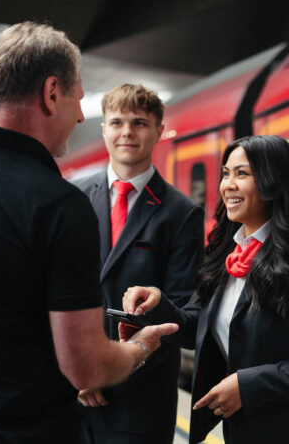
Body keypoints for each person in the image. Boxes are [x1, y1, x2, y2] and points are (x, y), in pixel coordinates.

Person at [0, 22, 177, 443]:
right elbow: (86, 367)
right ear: (51, 92)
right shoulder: (59, 205)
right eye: (77, 98)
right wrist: (142, 348)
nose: (79, 114)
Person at [123, 135, 289, 444]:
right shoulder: (225, 256)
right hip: (241, 431)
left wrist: (249, 386)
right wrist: (157, 306)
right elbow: (200, 330)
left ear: (273, 182)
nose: (228, 185)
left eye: (242, 174)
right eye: (226, 173)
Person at [74, 83, 204, 444]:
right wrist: (80, 372)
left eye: (140, 122)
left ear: (159, 131)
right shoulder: (73, 200)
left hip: (141, 400)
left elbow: (187, 316)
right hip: (73, 395)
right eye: (116, 122)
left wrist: (110, 369)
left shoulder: (181, 213)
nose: (127, 132)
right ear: (104, 130)